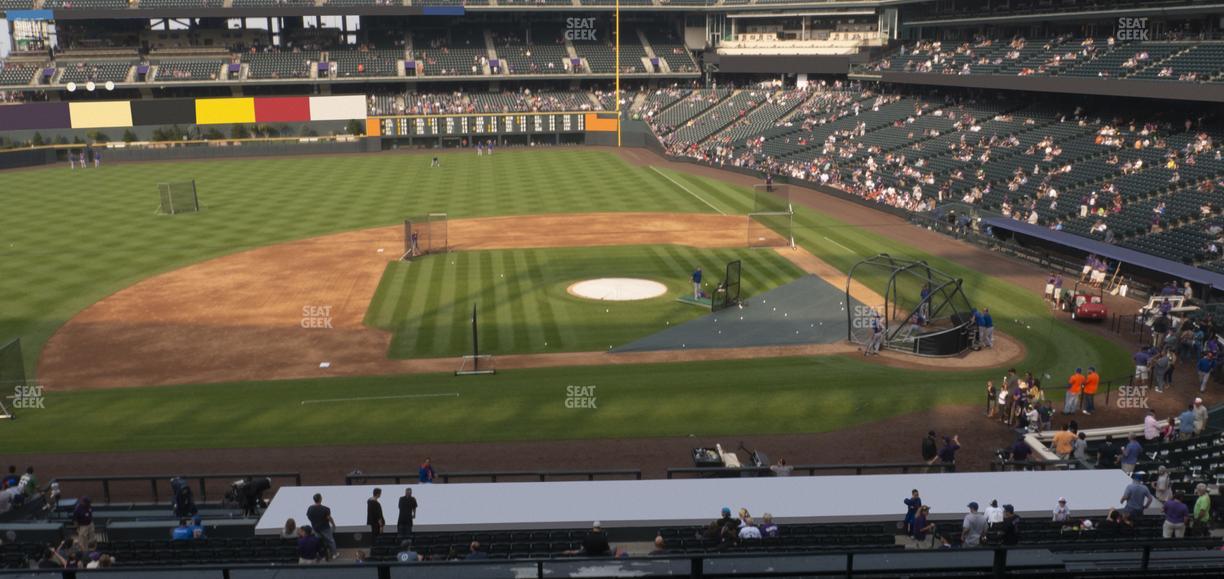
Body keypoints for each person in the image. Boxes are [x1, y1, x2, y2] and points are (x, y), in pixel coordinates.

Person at [306, 493, 336, 560]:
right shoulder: (326, 509)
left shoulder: (310, 508)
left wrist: (313, 522)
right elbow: (329, 518)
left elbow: (308, 516)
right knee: (331, 541)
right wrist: (333, 525)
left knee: (319, 542)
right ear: (320, 499)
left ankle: (321, 555)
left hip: (315, 528)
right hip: (325, 528)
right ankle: (334, 554)